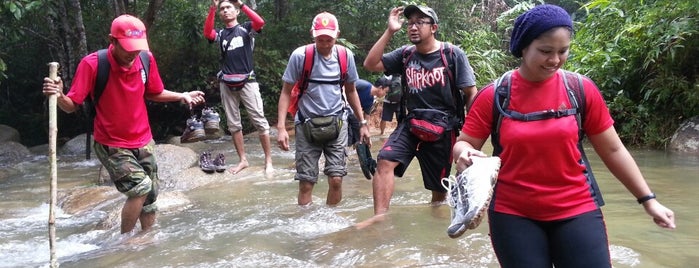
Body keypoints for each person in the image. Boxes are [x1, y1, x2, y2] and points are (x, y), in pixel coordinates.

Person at [451, 4, 676, 267]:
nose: (555, 60)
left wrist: (649, 201)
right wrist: (463, 153)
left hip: (577, 208)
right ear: (523, 48)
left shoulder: (580, 90)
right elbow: (464, 143)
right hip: (513, 213)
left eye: (563, 51)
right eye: (545, 51)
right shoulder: (494, 95)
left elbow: (614, 151)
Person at [42, 15, 206, 234]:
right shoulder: (93, 64)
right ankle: (125, 241)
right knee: (140, 188)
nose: (133, 53)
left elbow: (154, 92)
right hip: (112, 143)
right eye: (128, 48)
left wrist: (182, 95)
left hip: (143, 139)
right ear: (112, 40)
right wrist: (60, 94)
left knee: (150, 195)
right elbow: (72, 105)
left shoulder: (146, 59)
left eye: (138, 48)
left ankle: (147, 238)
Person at [360, 5, 478, 222]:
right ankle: (379, 219)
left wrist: (471, 135)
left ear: (433, 27)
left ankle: (437, 223)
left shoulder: (452, 54)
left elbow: (470, 93)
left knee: (438, 192)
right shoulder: (405, 54)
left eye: (419, 22)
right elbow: (371, 64)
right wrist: (390, 31)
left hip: (444, 128)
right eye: (410, 23)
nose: (413, 27)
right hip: (410, 123)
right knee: (385, 160)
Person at [276, 12, 370, 206]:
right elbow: (286, 92)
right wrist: (281, 128)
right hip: (306, 124)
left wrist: (362, 123)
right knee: (306, 182)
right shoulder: (300, 56)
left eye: (329, 39)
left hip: (337, 123)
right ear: (313, 33)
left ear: (337, 35)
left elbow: (351, 91)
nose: (325, 43)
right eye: (321, 39)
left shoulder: (345, 56)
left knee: (336, 179)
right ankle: (306, 228)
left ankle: (331, 225)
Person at [203, 0, 273, 175]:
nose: (225, 11)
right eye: (222, 9)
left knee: (260, 122)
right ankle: (243, 160)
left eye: (228, 8)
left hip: (248, 81)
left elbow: (260, 23)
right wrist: (212, 8)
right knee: (234, 124)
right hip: (226, 83)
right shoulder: (220, 34)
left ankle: (268, 160)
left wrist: (242, 4)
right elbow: (207, 33)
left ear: (236, 12)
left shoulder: (246, 28)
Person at [346, 78, 388, 146]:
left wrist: (368, 137)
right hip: (341, 109)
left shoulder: (370, 101)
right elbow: (345, 85)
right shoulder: (364, 85)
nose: (385, 94)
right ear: (380, 88)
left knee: (357, 135)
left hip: (351, 115)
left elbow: (366, 120)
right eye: (385, 92)